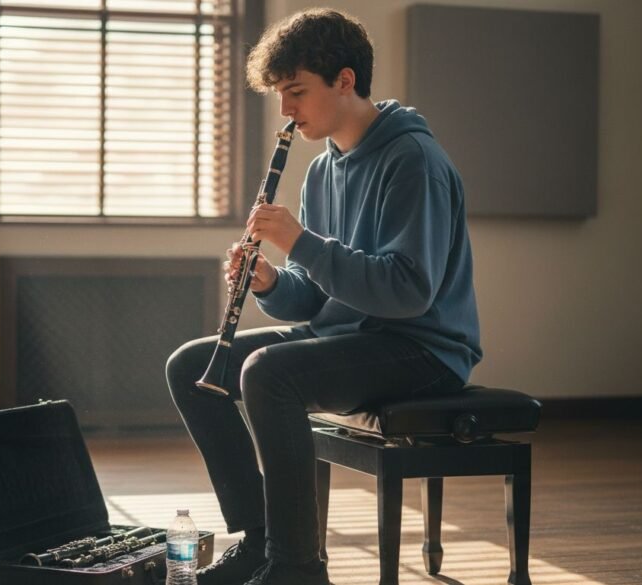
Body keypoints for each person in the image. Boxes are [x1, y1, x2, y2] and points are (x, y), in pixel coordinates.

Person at [166, 7, 482, 585]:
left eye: (296, 92)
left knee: (268, 374)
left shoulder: (414, 160)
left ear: (344, 80)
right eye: (280, 95)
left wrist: (300, 242)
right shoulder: (321, 170)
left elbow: (409, 291)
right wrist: (269, 282)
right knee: (190, 366)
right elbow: (315, 297)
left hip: (422, 348)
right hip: (351, 337)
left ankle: (297, 568)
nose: (286, 110)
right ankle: (261, 542)